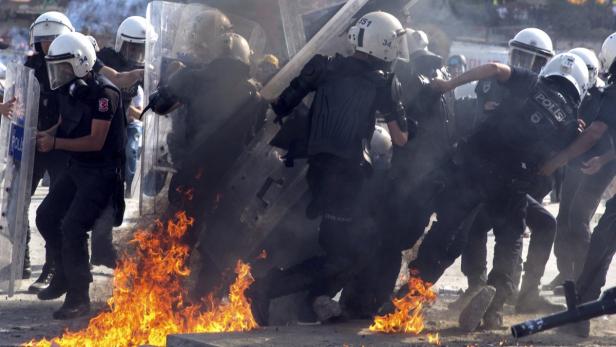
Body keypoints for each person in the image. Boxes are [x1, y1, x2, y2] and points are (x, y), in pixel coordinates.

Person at [386, 53, 587, 331]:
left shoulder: (530, 82)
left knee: (449, 232)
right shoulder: (570, 123)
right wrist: (553, 162)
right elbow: (579, 148)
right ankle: (493, 309)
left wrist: (448, 85)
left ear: (550, 72)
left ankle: (409, 300)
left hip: (474, 166)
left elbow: (493, 68)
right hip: (514, 181)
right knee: (510, 240)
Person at [246, 11, 409, 326]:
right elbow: (400, 138)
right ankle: (269, 288)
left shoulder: (324, 66)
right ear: (384, 43)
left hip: (319, 173)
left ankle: (318, 300)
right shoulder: (384, 81)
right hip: (349, 176)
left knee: (347, 246)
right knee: (346, 254)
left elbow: (281, 104)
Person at [451, 28, 563, 325]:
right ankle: (477, 285)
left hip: (514, 181)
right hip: (486, 173)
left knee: (540, 224)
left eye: (532, 59)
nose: (525, 63)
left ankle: (525, 291)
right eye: (520, 55)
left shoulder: (540, 92)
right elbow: (477, 124)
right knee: (479, 222)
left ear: (543, 64)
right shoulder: (497, 83)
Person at [148, 33, 268, 295]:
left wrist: (173, 79)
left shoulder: (192, 78)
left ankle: (165, 296)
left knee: (179, 238)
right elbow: (256, 136)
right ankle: (203, 300)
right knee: (220, 240)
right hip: (231, 181)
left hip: (193, 174)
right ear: (245, 57)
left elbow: (158, 105)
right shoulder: (255, 94)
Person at [34, 32, 126, 319]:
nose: (58, 73)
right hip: (78, 168)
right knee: (46, 216)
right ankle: (63, 274)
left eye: (63, 66)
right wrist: (51, 131)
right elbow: (67, 117)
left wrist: (55, 144)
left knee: (73, 227)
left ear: (81, 63)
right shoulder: (70, 87)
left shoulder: (105, 94)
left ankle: (79, 296)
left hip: (101, 173)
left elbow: (95, 142)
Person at [539, 33, 616, 337]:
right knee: (578, 222)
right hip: (592, 165)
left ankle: (579, 315)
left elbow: (595, 131)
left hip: (591, 166)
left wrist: (558, 161)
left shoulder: (610, 92)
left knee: (596, 238)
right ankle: (576, 301)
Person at [88, 16, 148, 268]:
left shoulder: (146, 68)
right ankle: (72, 256)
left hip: (117, 137)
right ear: (121, 42)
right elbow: (120, 79)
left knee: (112, 196)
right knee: (86, 196)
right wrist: (145, 71)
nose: (135, 52)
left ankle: (102, 249)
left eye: (140, 48)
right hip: (94, 131)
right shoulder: (104, 58)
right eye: (131, 47)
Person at [23, 11, 75, 292]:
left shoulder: (71, 64)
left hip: (60, 144)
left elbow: (73, 108)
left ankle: (54, 267)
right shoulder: (30, 65)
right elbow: (21, 97)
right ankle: (21, 259)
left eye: (53, 39)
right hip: (34, 140)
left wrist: (53, 134)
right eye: (43, 40)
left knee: (57, 208)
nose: (47, 45)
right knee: (20, 202)